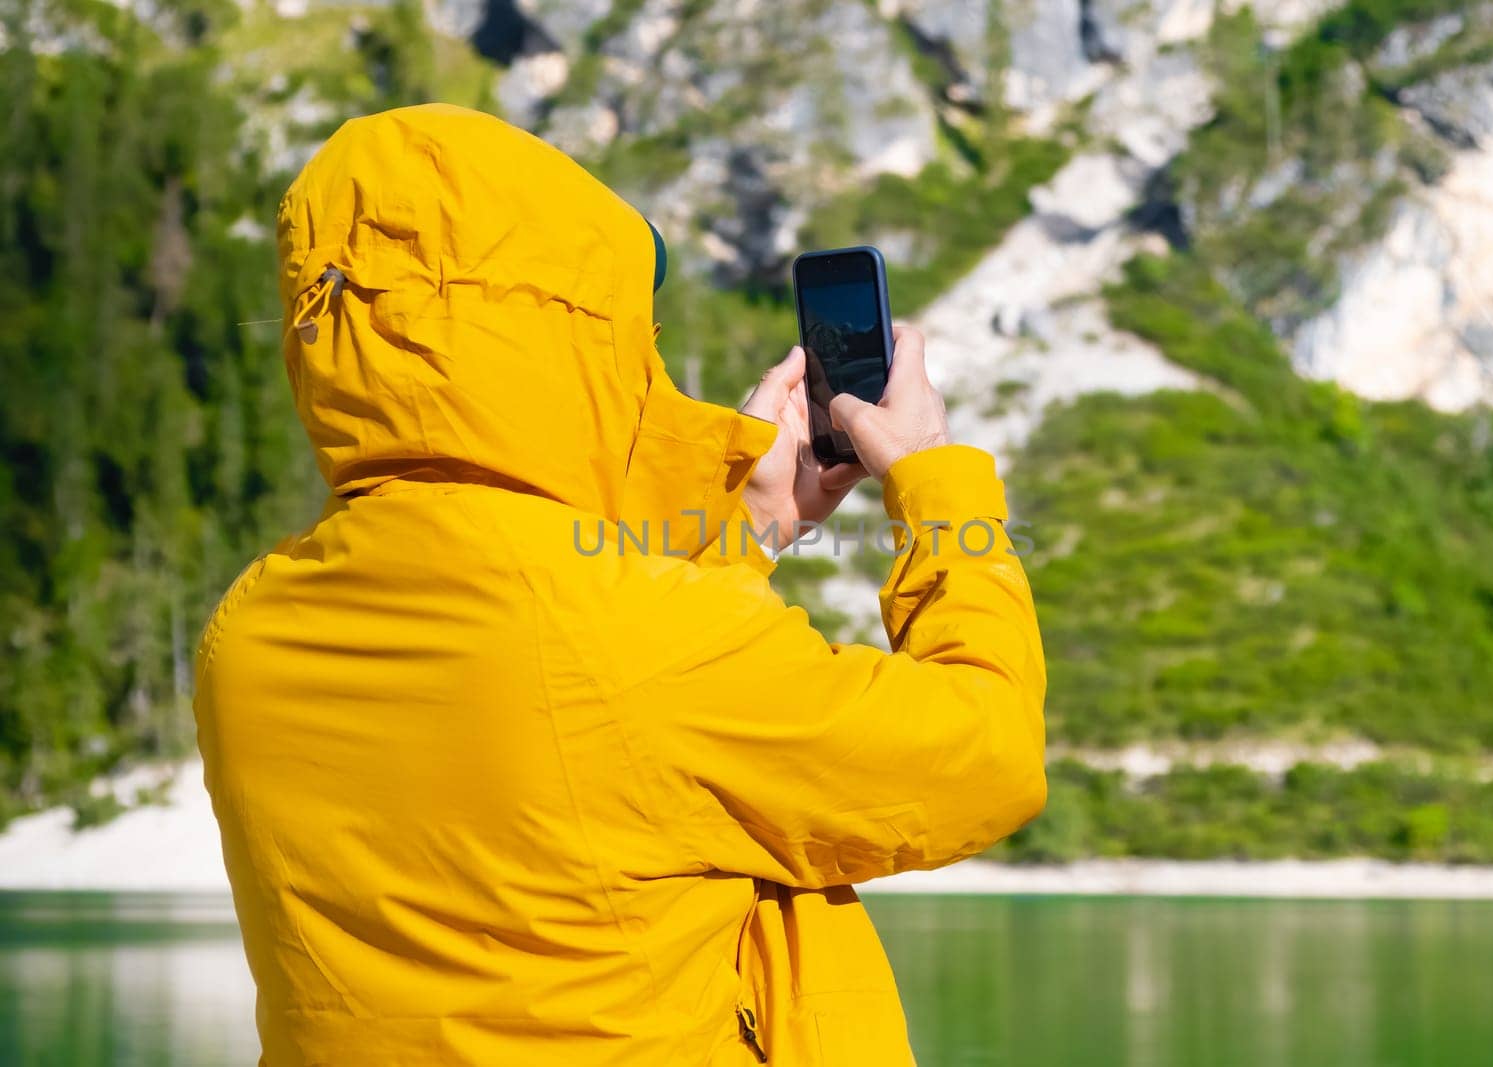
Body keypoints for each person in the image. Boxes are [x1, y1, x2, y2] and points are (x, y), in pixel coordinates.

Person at [194, 104, 1045, 1067]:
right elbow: (987, 751)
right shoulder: (637, 638)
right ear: (566, 339)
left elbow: (596, 765)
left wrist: (747, 531)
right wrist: (932, 484)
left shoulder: (249, 629)